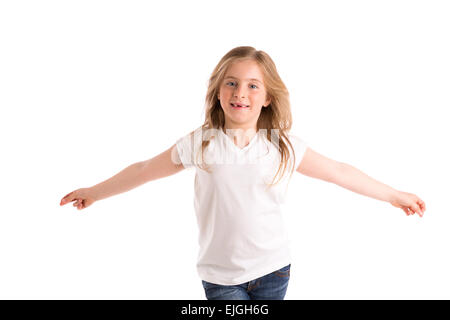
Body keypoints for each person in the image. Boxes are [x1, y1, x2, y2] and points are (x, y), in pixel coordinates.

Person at [60, 46, 426, 300]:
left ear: (267, 97)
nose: (241, 93)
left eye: (253, 85)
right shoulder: (201, 143)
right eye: (232, 83)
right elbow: (143, 170)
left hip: (274, 270)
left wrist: (395, 195)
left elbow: (339, 172)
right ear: (218, 91)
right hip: (221, 277)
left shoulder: (283, 145)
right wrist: (94, 191)